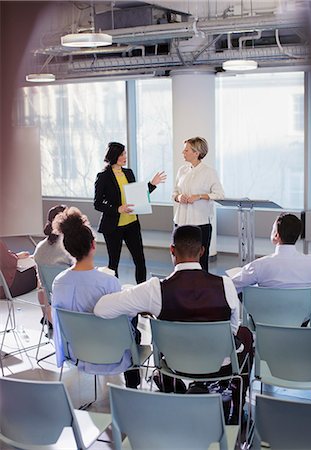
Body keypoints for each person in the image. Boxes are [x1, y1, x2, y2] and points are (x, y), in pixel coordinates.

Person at [94, 225, 253, 424]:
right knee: (245, 334)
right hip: (218, 365)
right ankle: (236, 407)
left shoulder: (155, 290)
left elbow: (101, 308)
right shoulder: (226, 285)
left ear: (172, 250)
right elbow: (231, 330)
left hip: (174, 364)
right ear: (202, 251)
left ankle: (173, 390)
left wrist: (142, 308)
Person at [51, 206, 138, 387]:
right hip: (112, 354)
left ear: (67, 248)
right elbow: (123, 320)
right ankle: (132, 384)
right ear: (93, 245)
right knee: (134, 321)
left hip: (78, 352)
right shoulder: (108, 281)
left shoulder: (58, 282)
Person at [94, 141, 166, 284]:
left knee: (140, 260)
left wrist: (152, 184)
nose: (125, 156)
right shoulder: (103, 176)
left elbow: (137, 195)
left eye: (125, 153)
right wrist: (117, 209)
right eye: (122, 154)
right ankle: (113, 291)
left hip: (131, 224)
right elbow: (97, 203)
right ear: (114, 156)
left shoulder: (128, 172)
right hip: (113, 226)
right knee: (113, 263)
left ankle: (142, 289)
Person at [172, 137, 225, 272]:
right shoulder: (182, 171)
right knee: (178, 259)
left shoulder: (209, 172)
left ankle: (202, 289)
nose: (183, 153)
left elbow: (219, 195)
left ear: (196, 152)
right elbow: (174, 193)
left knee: (201, 261)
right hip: (181, 222)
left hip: (200, 223)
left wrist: (200, 196)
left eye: (186, 150)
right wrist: (179, 197)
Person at [231, 213, 311, 291]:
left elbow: (232, 285)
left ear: (276, 235)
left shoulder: (260, 265)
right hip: (302, 310)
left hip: (267, 310)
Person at [33, 204, 75, 326]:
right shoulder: (69, 249)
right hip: (70, 298)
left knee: (41, 286)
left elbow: (41, 285)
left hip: (51, 299)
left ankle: (47, 318)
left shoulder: (39, 248)